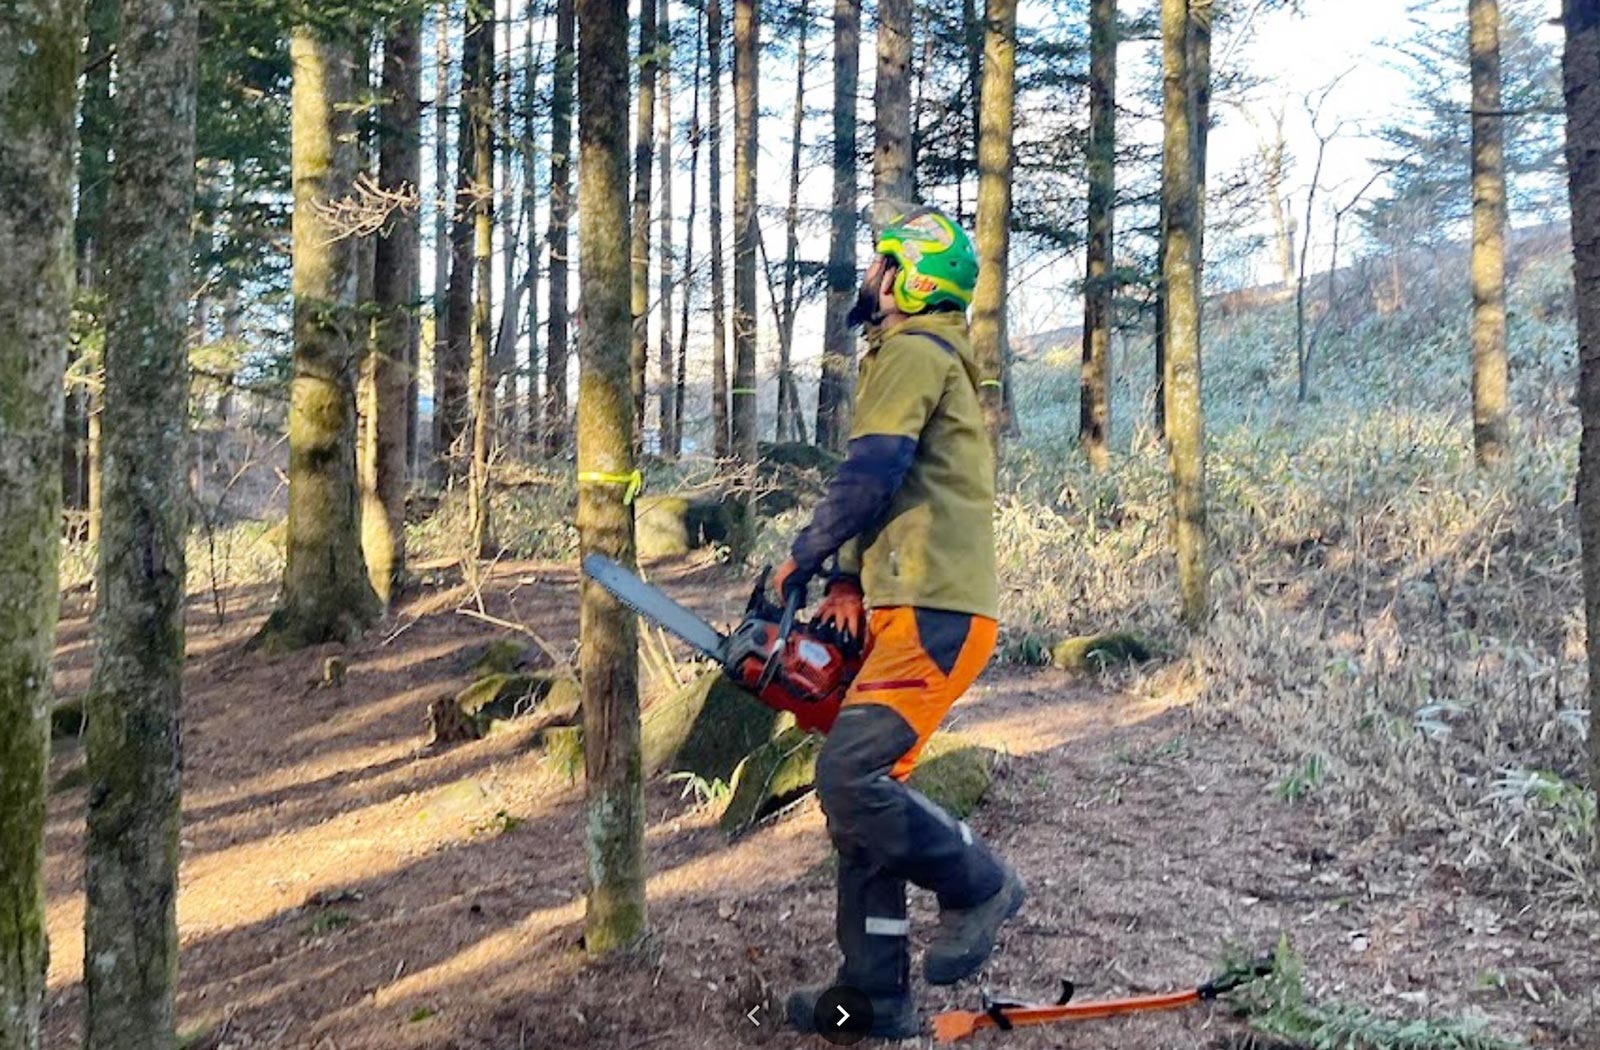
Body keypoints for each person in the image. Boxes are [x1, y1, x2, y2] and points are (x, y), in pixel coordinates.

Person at [771, 202, 1024, 1040]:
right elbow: (891, 487)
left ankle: (979, 882)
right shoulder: (912, 356)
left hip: (934, 607)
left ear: (910, 280)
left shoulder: (914, 350)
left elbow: (872, 472)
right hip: (903, 599)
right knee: (858, 809)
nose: (869, 277)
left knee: (850, 779)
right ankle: (874, 999)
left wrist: (802, 555)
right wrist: (844, 581)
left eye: (883, 264)